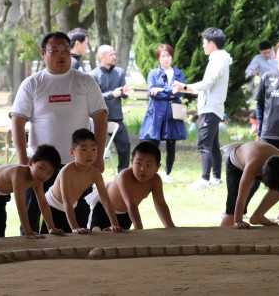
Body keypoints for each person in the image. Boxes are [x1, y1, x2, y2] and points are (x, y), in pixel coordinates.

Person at [11, 31, 108, 234]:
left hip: (79, 164)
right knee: (32, 219)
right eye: (54, 51)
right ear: (43, 53)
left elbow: (100, 118)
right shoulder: (32, 83)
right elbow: (17, 121)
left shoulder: (85, 81)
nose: (61, 55)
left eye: (65, 50)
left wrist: (97, 156)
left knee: (76, 222)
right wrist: (22, 161)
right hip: (39, 164)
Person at [173, 27, 232, 189]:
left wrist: (184, 87)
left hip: (210, 108)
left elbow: (206, 84)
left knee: (204, 145)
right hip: (213, 107)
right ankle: (216, 178)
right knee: (213, 145)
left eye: (204, 43)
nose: (203, 46)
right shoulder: (220, 59)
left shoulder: (217, 60)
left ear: (212, 44)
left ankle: (205, 180)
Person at [41, 128, 122, 234]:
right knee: (49, 242)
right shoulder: (67, 171)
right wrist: (74, 227)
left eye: (93, 149)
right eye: (84, 150)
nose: (89, 154)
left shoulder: (95, 174)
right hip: (51, 207)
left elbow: (105, 199)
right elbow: (66, 201)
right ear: (72, 152)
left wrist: (114, 224)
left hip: (71, 208)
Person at [0, 144, 65, 238]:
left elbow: (43, 203)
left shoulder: (38, 180)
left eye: (49, 173)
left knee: (0, 226)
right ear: (31, 162)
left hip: (0, 194)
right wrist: (28, 231)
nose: (43, 175)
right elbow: (20, 206)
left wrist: (51, 227)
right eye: (41, 168)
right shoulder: (18, 174)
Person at [88, 141, 175, 230]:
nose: (142, 169)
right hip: (103, 210)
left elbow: (160, 203)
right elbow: (130, 203)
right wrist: (139, 227)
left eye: (148, 165)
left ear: (157, 167)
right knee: (96, 236)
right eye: (138, 164)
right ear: (132, 162)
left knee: (123, 242)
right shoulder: (124, 176)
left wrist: (170, 228)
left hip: (126, 214)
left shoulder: (155, 180)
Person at [255, 40, 279, 222]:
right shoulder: (267, 76)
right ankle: (245, 209)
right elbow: (260, 105)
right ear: (275, 55)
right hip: (269, 133)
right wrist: (259, 130)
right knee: (259, 172)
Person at [139, 44, 187, 184]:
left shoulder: (179, 73)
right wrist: (168, 92)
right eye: (162, 56)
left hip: (172, 113)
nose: (165, 59)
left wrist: (160, 90)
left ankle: (168, 173)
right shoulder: (153, 73)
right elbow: (151, 92)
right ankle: (151, 172)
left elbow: (180, 92)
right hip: (156, 113)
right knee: (153, 143)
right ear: (158, 58)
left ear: (172, 57)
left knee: (171, 144)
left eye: (168, 55)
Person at [220, 142, 279, 229]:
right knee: (232, 212)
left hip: (261, 161)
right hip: (236, 163)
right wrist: (238, 221)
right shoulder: (253, 164)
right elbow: (242, 195)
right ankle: (220, 238)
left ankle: (258, 216)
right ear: (262, 170)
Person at [90, 44, 133, 173]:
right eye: (111, 55)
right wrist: (111, 94)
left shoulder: (119, 72)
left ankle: (122, 174)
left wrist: (125, 92)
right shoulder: (93, 75)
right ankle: (92, 174)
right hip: (98, 118)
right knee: (94, 148)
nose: (114, 57)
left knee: (125, 145)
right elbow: (94, 97)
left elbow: (122, 94)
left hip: (116, 117)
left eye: (114, 54)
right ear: (101, 57)